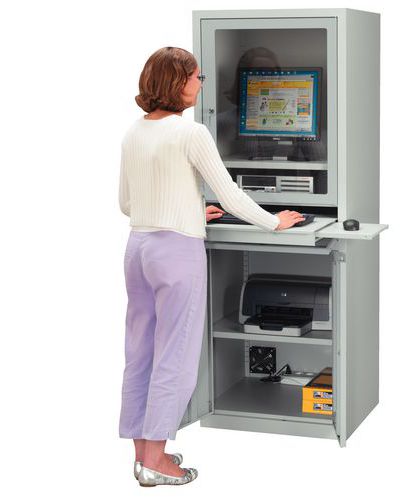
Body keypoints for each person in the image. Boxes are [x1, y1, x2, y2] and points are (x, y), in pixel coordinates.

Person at [118, 46, 305, 487]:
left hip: (139, 249)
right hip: (176, 253)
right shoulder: (192, 132)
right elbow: (232, 196)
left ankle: (143, 455)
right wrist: (274, 222)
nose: (200, 84)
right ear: (177, 82)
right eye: (196, 76)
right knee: (176, 356)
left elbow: (127, 203)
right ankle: (157, 464)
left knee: (140, 352)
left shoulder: (134, 131)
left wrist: (188, 208)